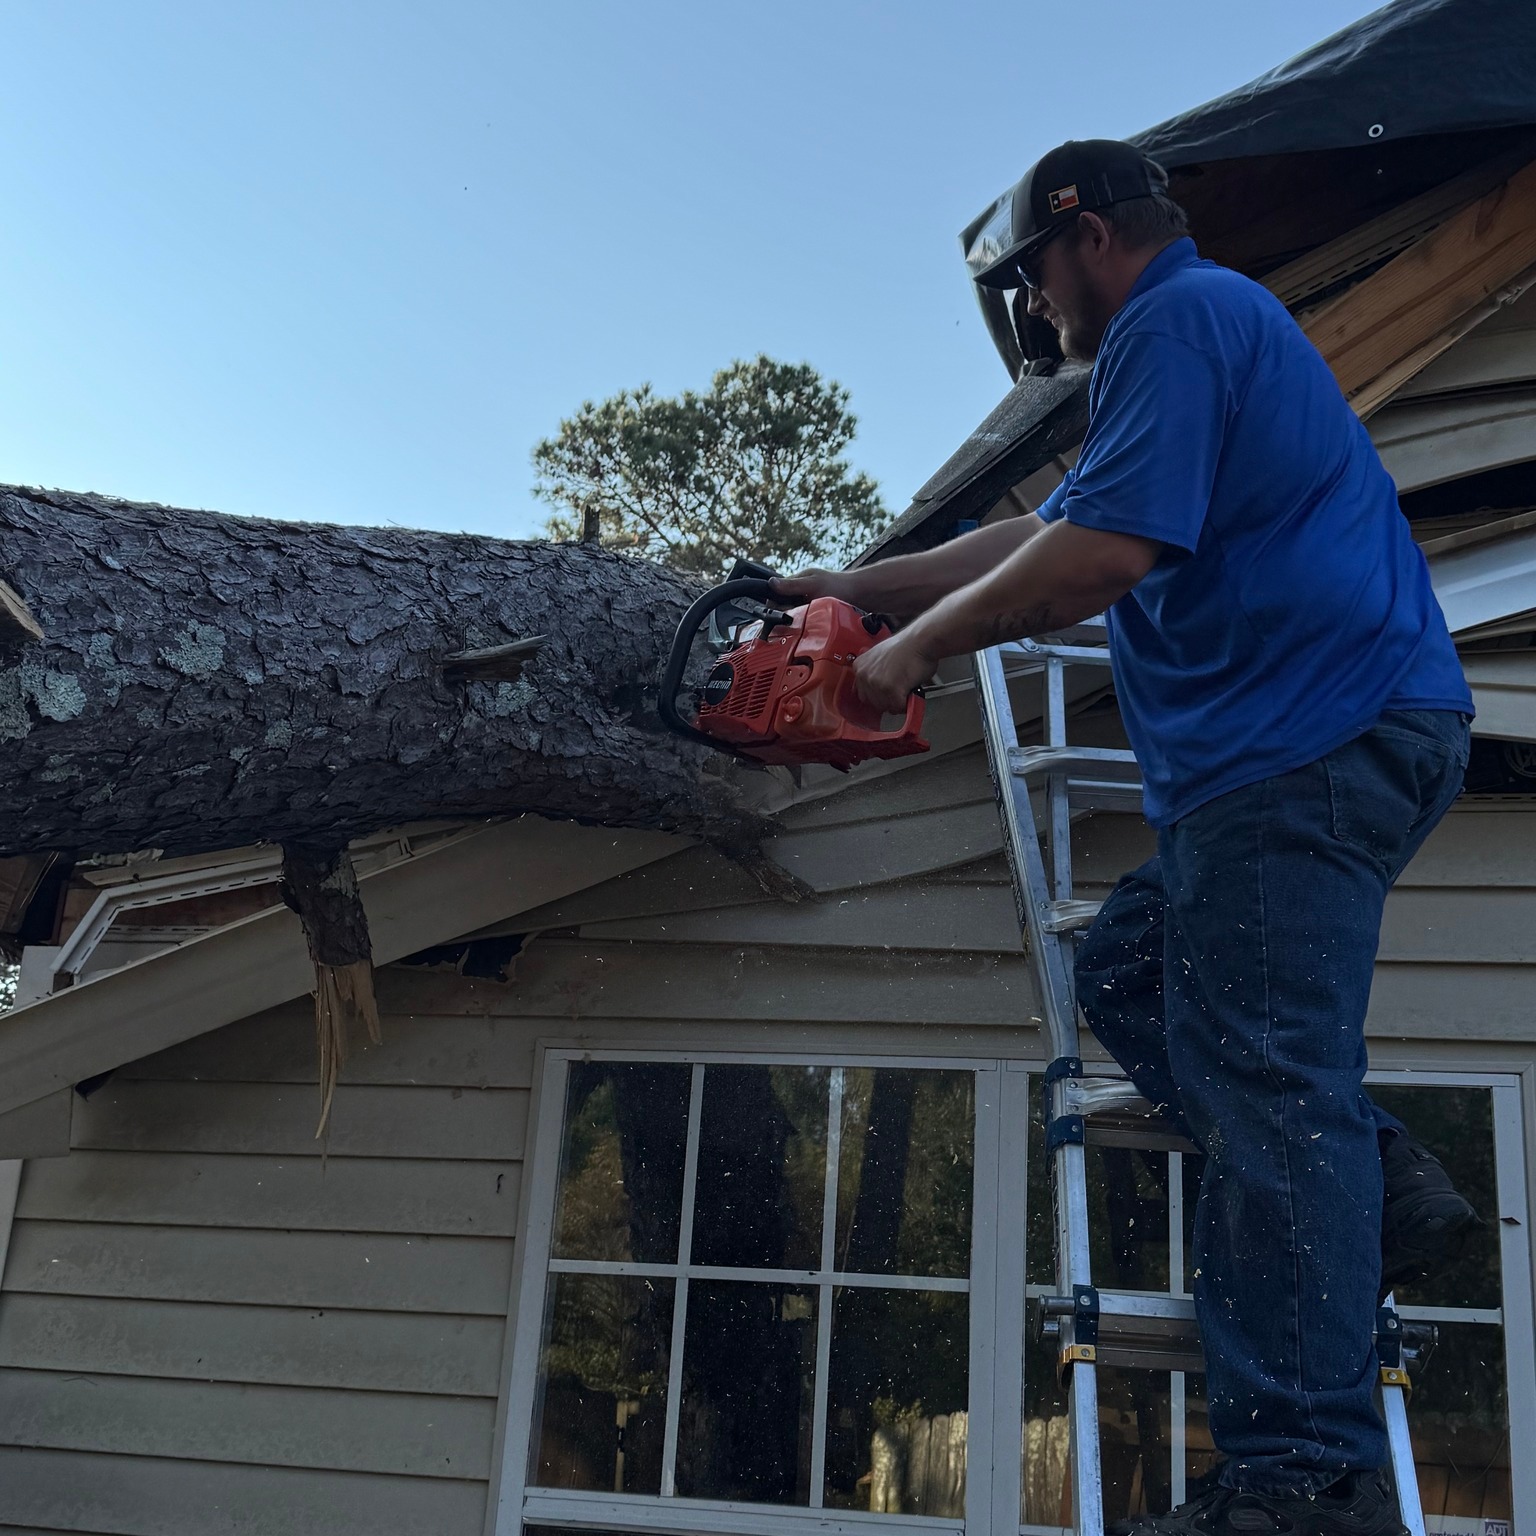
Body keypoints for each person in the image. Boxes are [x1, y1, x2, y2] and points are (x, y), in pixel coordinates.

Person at [773, 139, 1482, 1536]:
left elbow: (1098, 561)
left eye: (1031, 277)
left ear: (1087, 234)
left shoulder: (1180, 319)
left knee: (1269, 1092)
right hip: (1308, 750)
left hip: (1302, 747)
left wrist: (909, 658)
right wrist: (854, 587)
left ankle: (1306, 1483)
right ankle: (1380, 1181)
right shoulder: (1188, 344)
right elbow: (1040, 535)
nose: (1033, 307)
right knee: (1132, 972)